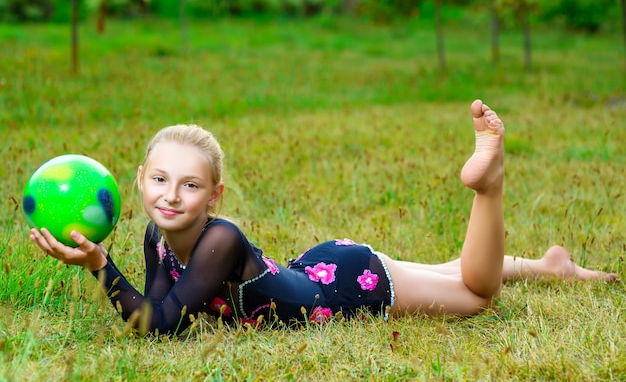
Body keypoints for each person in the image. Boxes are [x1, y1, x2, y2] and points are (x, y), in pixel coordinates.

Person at [29, 100, 618, 334]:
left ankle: (488, 187)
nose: (171, 196)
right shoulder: (156, 235)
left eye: (190, 185)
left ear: (216, 196)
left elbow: (158, 324)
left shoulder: (220, 240)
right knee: (452, 272)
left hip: (348, 287)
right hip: (319, 268)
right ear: (138, 180)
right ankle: (549, 266)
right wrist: (109, 265)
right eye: (159, 180)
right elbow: (163, 317)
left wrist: (101, 268)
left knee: (475, 293)